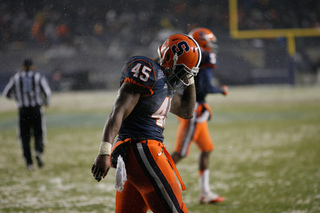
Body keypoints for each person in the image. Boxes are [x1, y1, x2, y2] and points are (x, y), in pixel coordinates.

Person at [91, 34, 202, 213]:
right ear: (168, 58)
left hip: (137, 154)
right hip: (143, 150)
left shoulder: (163, 83)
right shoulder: (146, 69)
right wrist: (104, 150)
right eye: (182, 71)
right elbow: (118, 110)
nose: (182, 77)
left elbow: (187, 111)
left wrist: (190, 77)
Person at [171, 28, 228, 204]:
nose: (211, 46)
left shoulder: (190, 54)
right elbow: (205, 88)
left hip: (195, 108)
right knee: (180, 153)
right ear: (203, 41)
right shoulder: (206, 56)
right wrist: (222, 90)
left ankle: (205, 193)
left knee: (206, 149)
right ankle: (153, 181)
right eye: (209, 42)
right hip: (193, 109)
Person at [3, 58, 51, 170]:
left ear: (22, 67)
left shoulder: (16, 78)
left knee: (25, 137)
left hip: (23, 110)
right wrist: (46, 102)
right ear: (33, 66)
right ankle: (38, 150)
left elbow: (6, 93)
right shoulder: (38, 77)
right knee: (39, 133)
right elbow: (47, 92)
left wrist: (17, 98)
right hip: (35, 109)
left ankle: (29, 162)